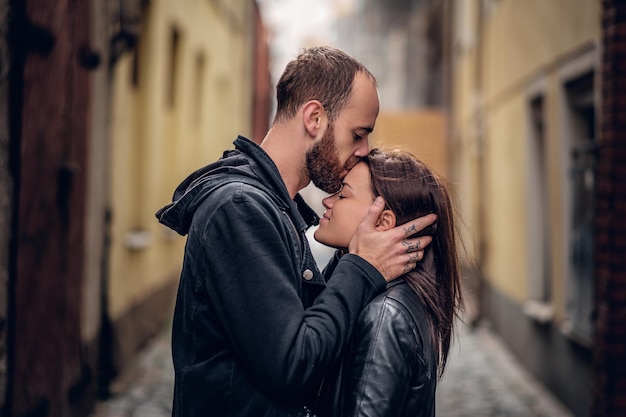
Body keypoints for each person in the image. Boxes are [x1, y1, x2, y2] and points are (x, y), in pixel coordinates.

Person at [155, 46, 436, 417]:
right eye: (357, 134)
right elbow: (292, 365)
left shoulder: (270, 209)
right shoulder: (240, 209)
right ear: (315, 118)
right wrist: (363, 266)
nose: (365, 150)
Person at [310, 148, 464, 417]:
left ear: (382, 222)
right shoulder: (376, 294)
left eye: (343, 194)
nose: (328, 201)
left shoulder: (386, 315)